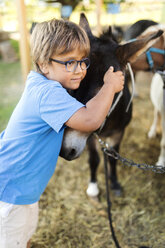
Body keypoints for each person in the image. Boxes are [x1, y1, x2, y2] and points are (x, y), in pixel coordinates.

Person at [0, 18, 124, 248]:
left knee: (22, 237)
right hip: (10, 192)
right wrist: (109, 86)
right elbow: (89, 119)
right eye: (69, 63)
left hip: (24, 191)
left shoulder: (41, 83)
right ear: (44, 64)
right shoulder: (48, 94)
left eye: (82, 61)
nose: (80, 70)